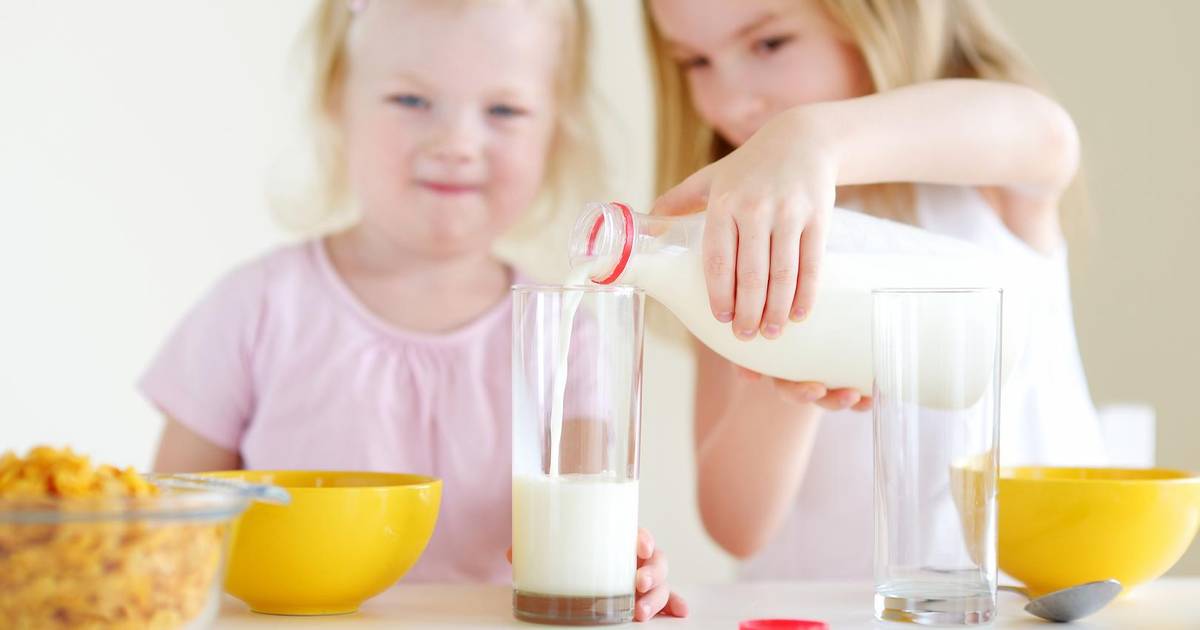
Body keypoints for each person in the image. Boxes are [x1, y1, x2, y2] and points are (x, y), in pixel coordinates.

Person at [143, 0, 685, 618]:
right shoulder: (255, 308)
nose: (456, 142)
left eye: (503, 110)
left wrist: (630, 565)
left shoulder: (566, 334)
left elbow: (593, 519)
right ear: (335, 101)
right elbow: (166, 531)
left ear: (554, 131)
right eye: (411, 101)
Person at [643, 0, 1107, 578]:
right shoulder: (734, 232)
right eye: (694, 62)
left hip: (1020, 603)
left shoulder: (987, 181)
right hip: (824, 606)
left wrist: (811, 138)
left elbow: (1047, 136)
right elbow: (735, 527)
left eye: (770, 44)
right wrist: (780, 361)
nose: (731, 99)